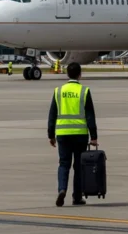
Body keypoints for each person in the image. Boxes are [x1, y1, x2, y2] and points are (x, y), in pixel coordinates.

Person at [47, 62, 98, 207]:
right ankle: (77, 197)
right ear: (80, 74)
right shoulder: (84, 91)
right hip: (80, 134)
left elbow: (52, 115)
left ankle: (62, 189)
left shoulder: (58, 91)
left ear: (67, 74)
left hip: (62, 133)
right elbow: (90, 116)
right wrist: (93, 136)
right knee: (78, 167)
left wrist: (51, 135)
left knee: (64, 164)